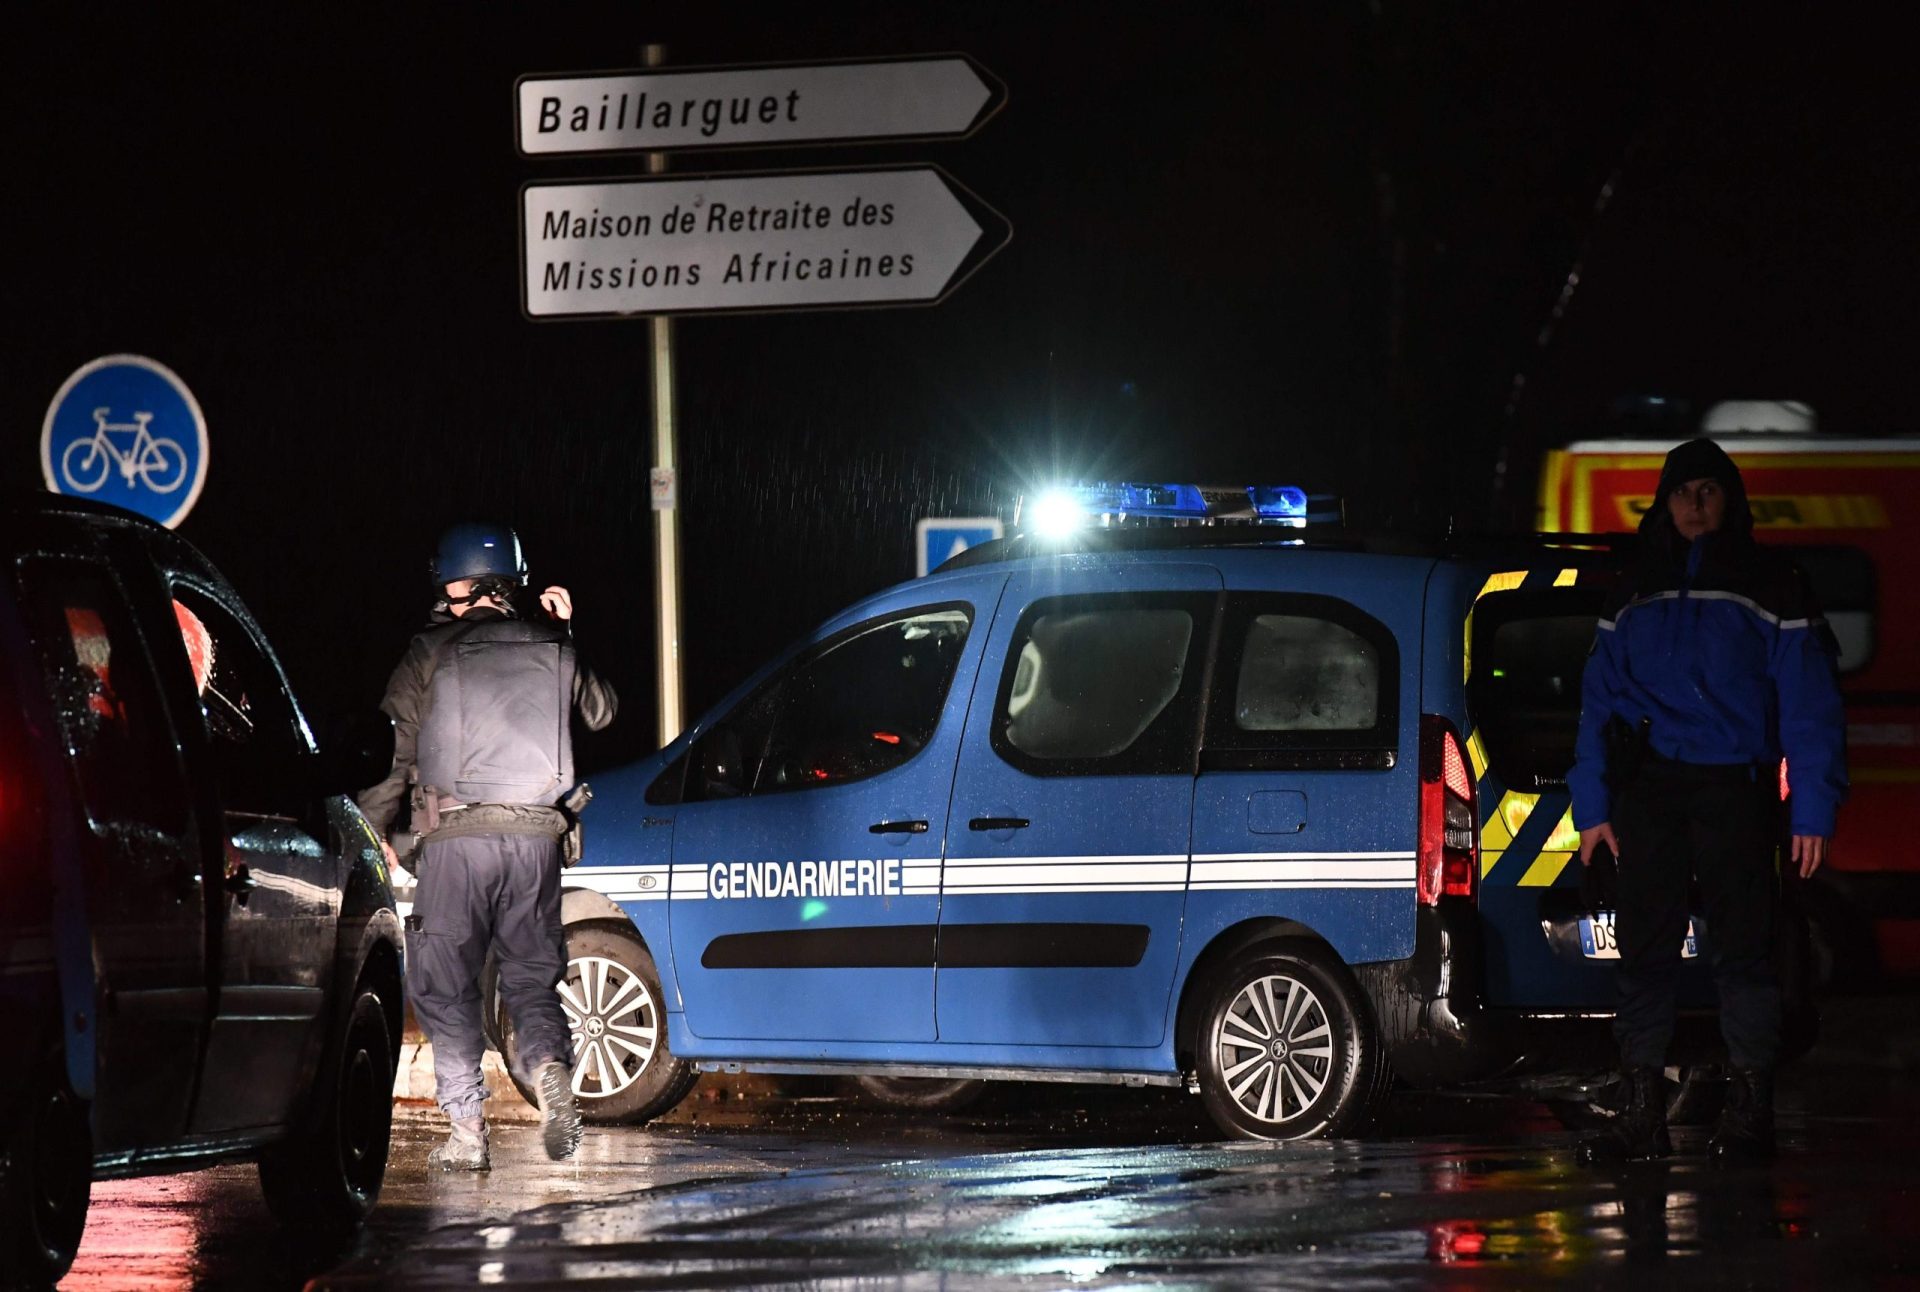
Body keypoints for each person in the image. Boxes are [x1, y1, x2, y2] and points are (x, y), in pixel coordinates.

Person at [1569, 438, 1846, 1165]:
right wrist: (1592, 806)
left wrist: (1812, 808)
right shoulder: (1632, 586)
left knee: (1745, 953)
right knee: (1645, 952)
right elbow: (1598, 704)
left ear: (1731, 501)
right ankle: (1640, 1113)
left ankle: (1752, 1107)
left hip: (1734, 788)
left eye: (1709, 491)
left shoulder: (1771, 583)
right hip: (1651, 789)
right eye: (1682, 491)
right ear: (1664, 503)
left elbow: (1810, 704)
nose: (1695, 504)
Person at [358, 523, 617, 1169]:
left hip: (456, 839)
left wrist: (370, 828)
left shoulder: (430, 648)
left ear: (465, 582)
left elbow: (395, 750)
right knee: (530, 978)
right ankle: (550, 1066)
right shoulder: (552, 643)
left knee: (445, 986)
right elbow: (602, 713)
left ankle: (468, 1132)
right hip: (536, 839)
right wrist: (568, 634)